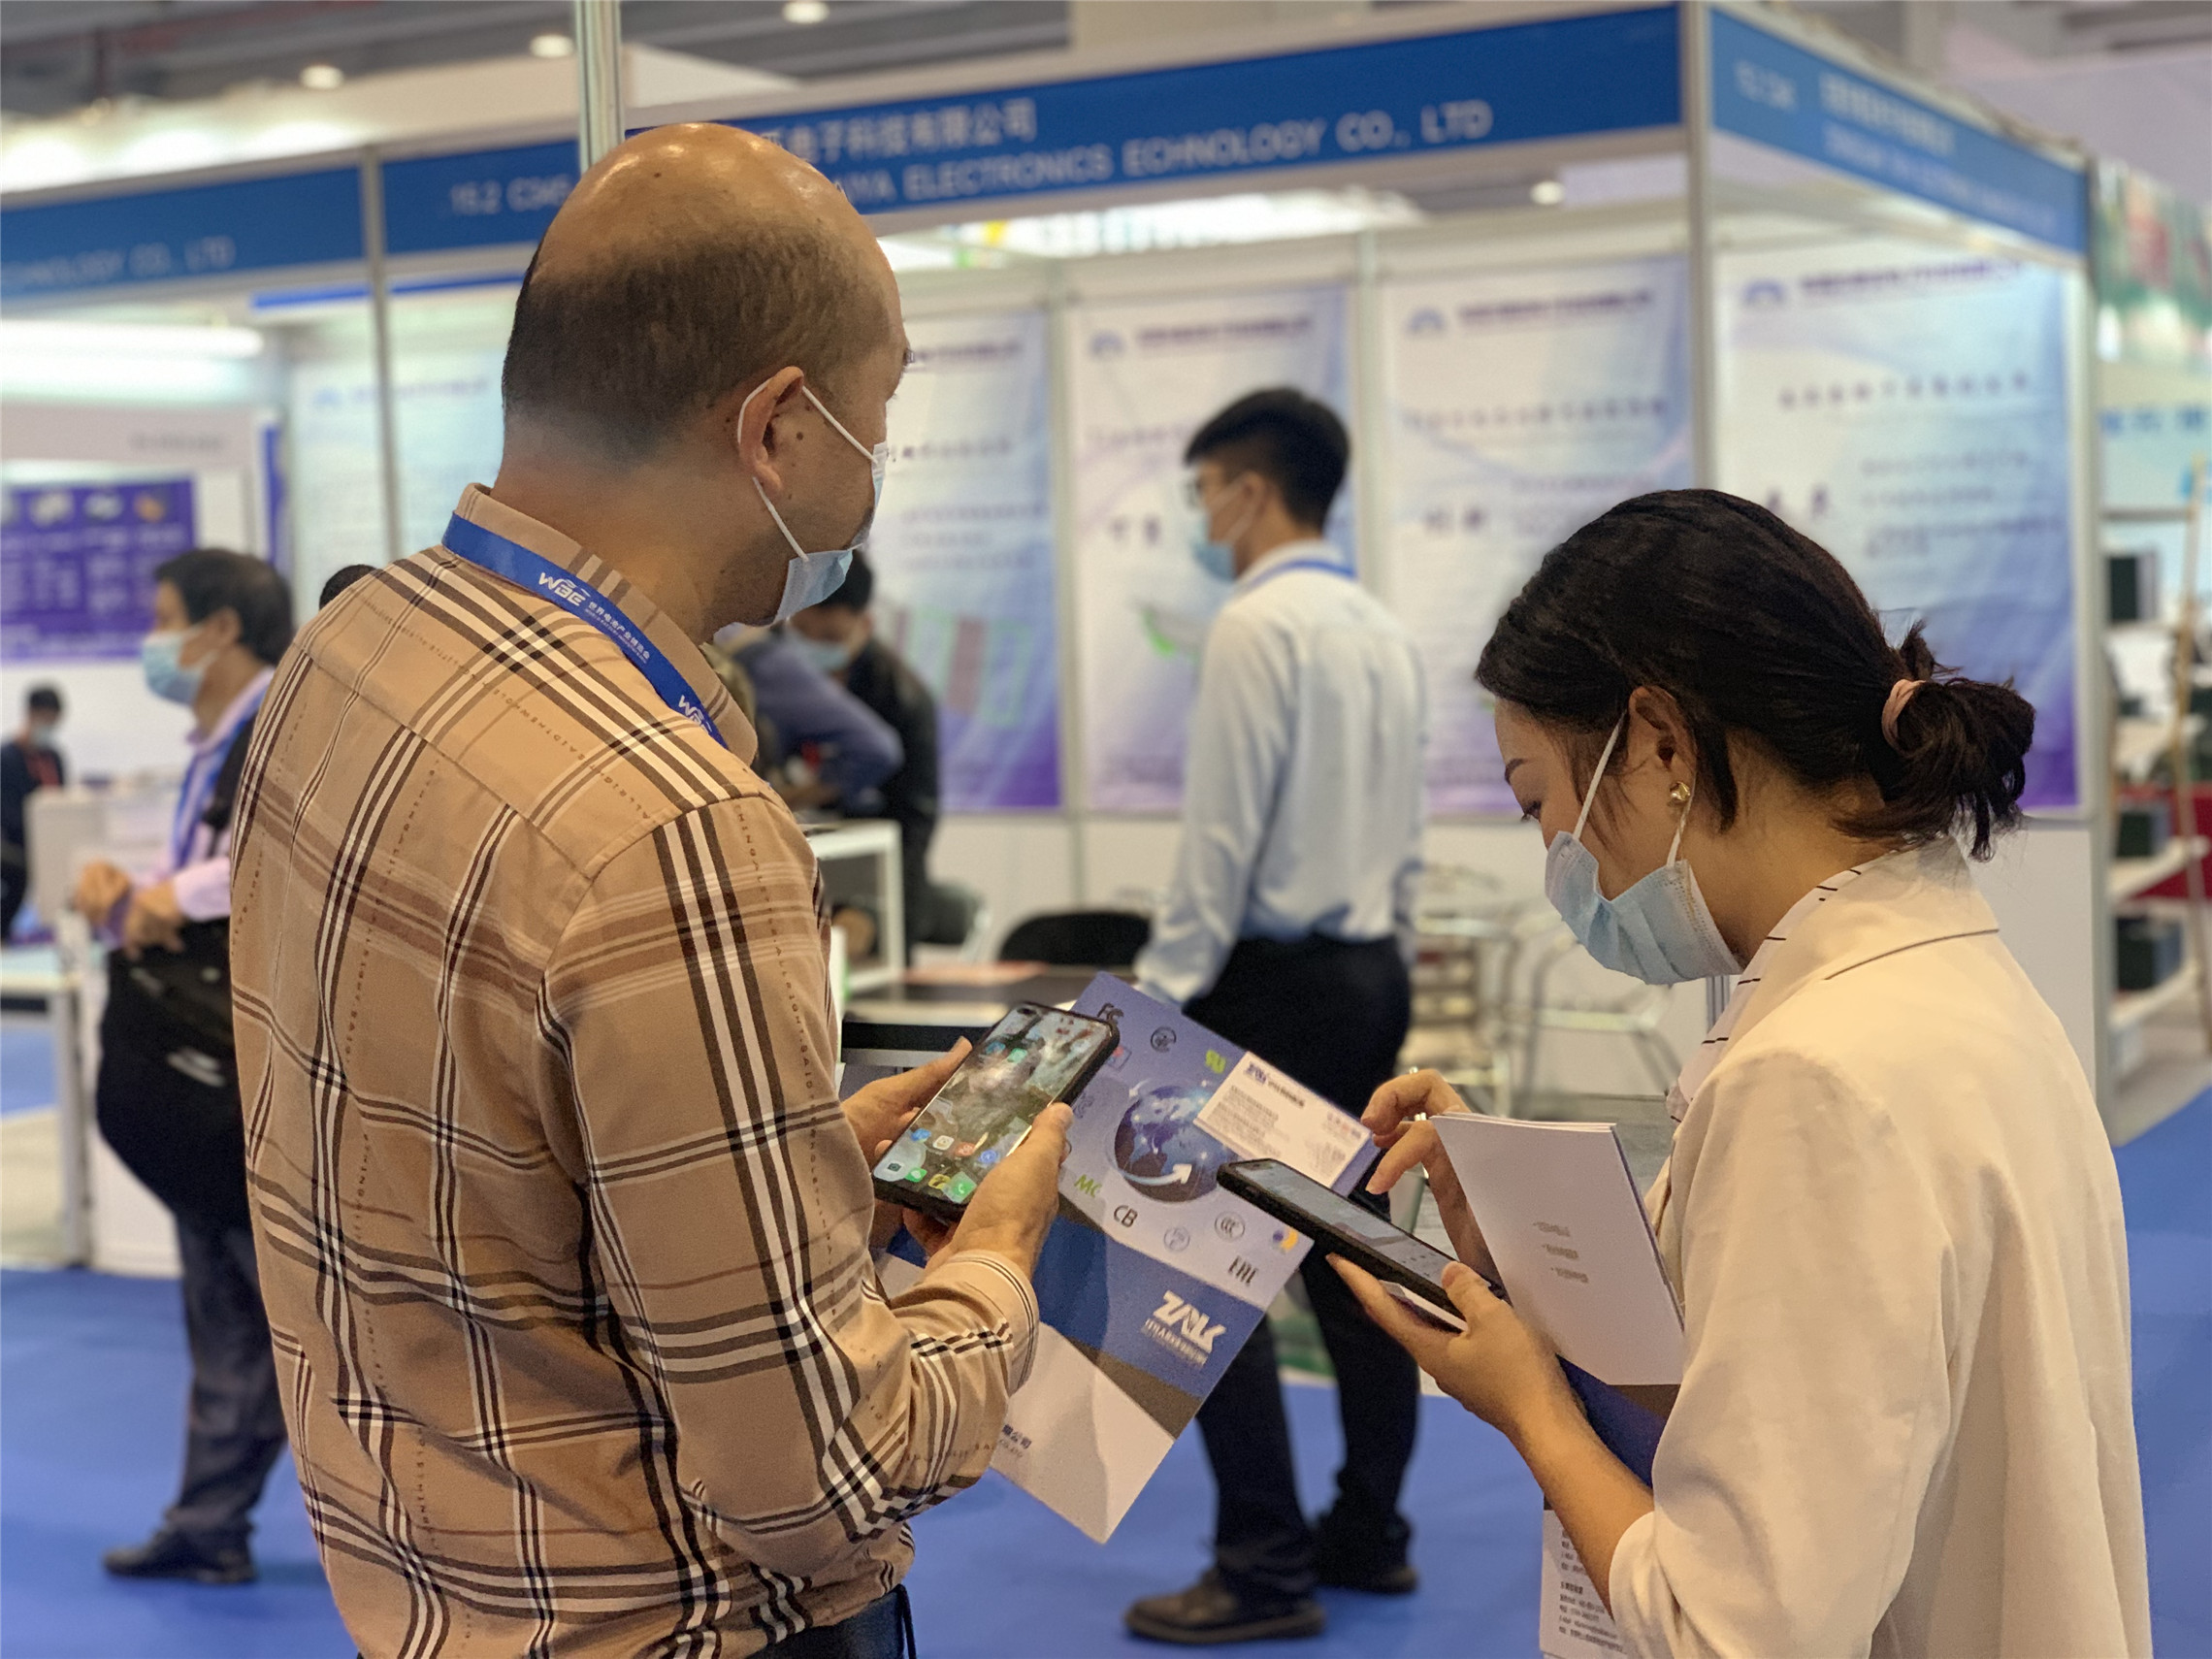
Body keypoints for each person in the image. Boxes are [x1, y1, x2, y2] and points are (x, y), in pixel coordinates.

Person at [226, 123, 1067, 1659]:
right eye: (878, 420)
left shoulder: (350, 654)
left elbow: (477, 1172)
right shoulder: (675, 824)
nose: (875, 475)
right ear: (780, 428)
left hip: (427, 1590)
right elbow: (817, 1471)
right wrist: (994, 1268)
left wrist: (783, 1177)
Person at [1339, 490, 2150, 1659]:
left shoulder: (1818, 1075)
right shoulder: (1941, 976)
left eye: (1539, 803)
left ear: (1660, 744)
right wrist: (1536, 1262)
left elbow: (1727, 1632)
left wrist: (1533, 1412)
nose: (1555, 857)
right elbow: (1814, 1389)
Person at [1125, 389, 1427, 1645]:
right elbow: (1405, 837)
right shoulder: (1383, 630)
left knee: (1200, 1260)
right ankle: (1371, 1531)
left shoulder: (1254, 625)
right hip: (1366, 974)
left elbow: (1221, 840)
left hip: (1267, 982)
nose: (1202, 520)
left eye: (1204, 493)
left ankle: (1261, 1563)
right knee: (1353, 1261)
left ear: (1248, 491)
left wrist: (1157, 990)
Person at [74, 549, 295, 1585]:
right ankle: (210, 1521)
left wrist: (177, 895)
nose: (153, 643)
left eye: (166, 620)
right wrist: (134, 891)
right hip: (208, 1062)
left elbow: (281, 855)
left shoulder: (284, 723)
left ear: (220, 629)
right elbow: (201, 872)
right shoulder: (217, 741)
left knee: (292, 1309)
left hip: (261, 1058)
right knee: (224, 1295)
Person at [790, 552, 965, 948]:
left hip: (879, 875)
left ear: (864, 625)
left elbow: (915, 821)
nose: (812, 647)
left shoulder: (904, 700)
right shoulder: (779, 683)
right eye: (801, 633)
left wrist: (883, 916)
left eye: (829, 638)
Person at [1, 685, 65, 939]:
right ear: (30, 714)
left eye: (54, 722)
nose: (49, 727)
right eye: (45, 720)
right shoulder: (7, 758)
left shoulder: (53, 757)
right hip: (15, 843)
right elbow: (7, 813)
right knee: (19, 873)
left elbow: (63, 801)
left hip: (53, 842)